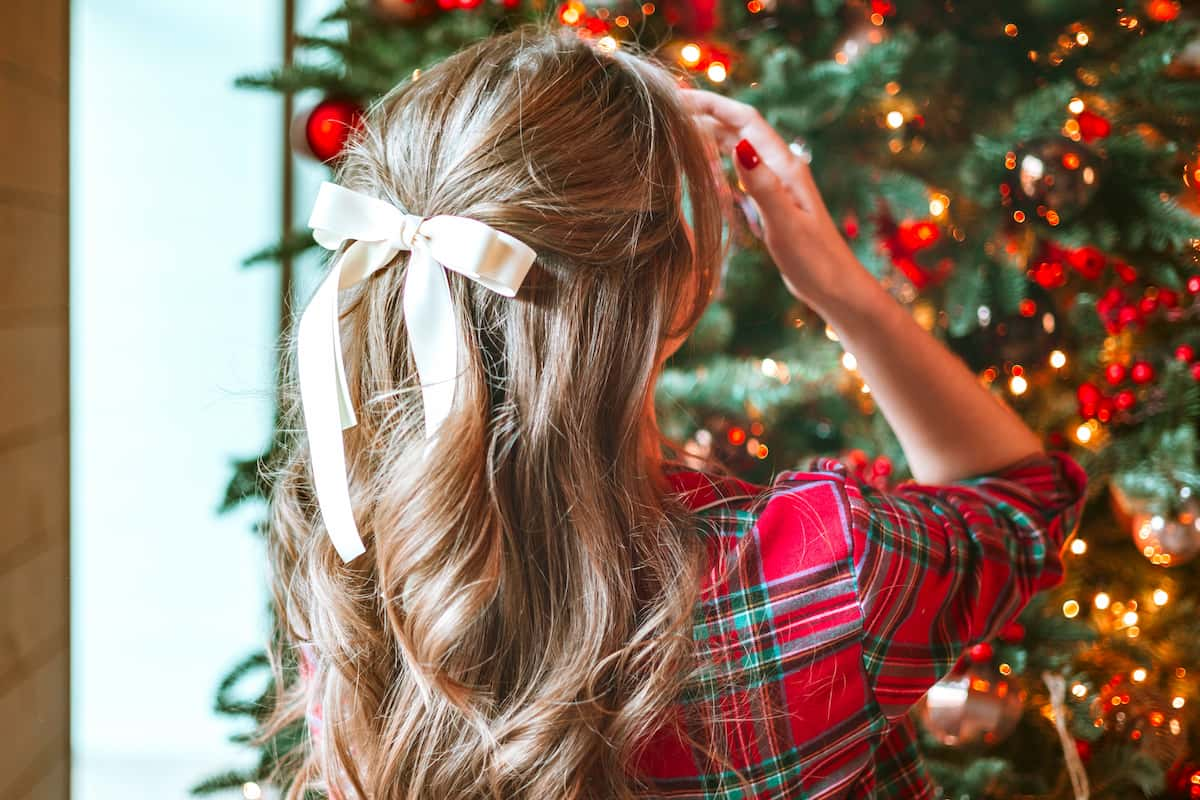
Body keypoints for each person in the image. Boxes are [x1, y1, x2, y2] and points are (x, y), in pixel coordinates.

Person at [253, 20, 1088, 800]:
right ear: (677, 282)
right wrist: (844, 293)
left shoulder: (358, 574)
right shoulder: (821, 574)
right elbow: (1023, 500)